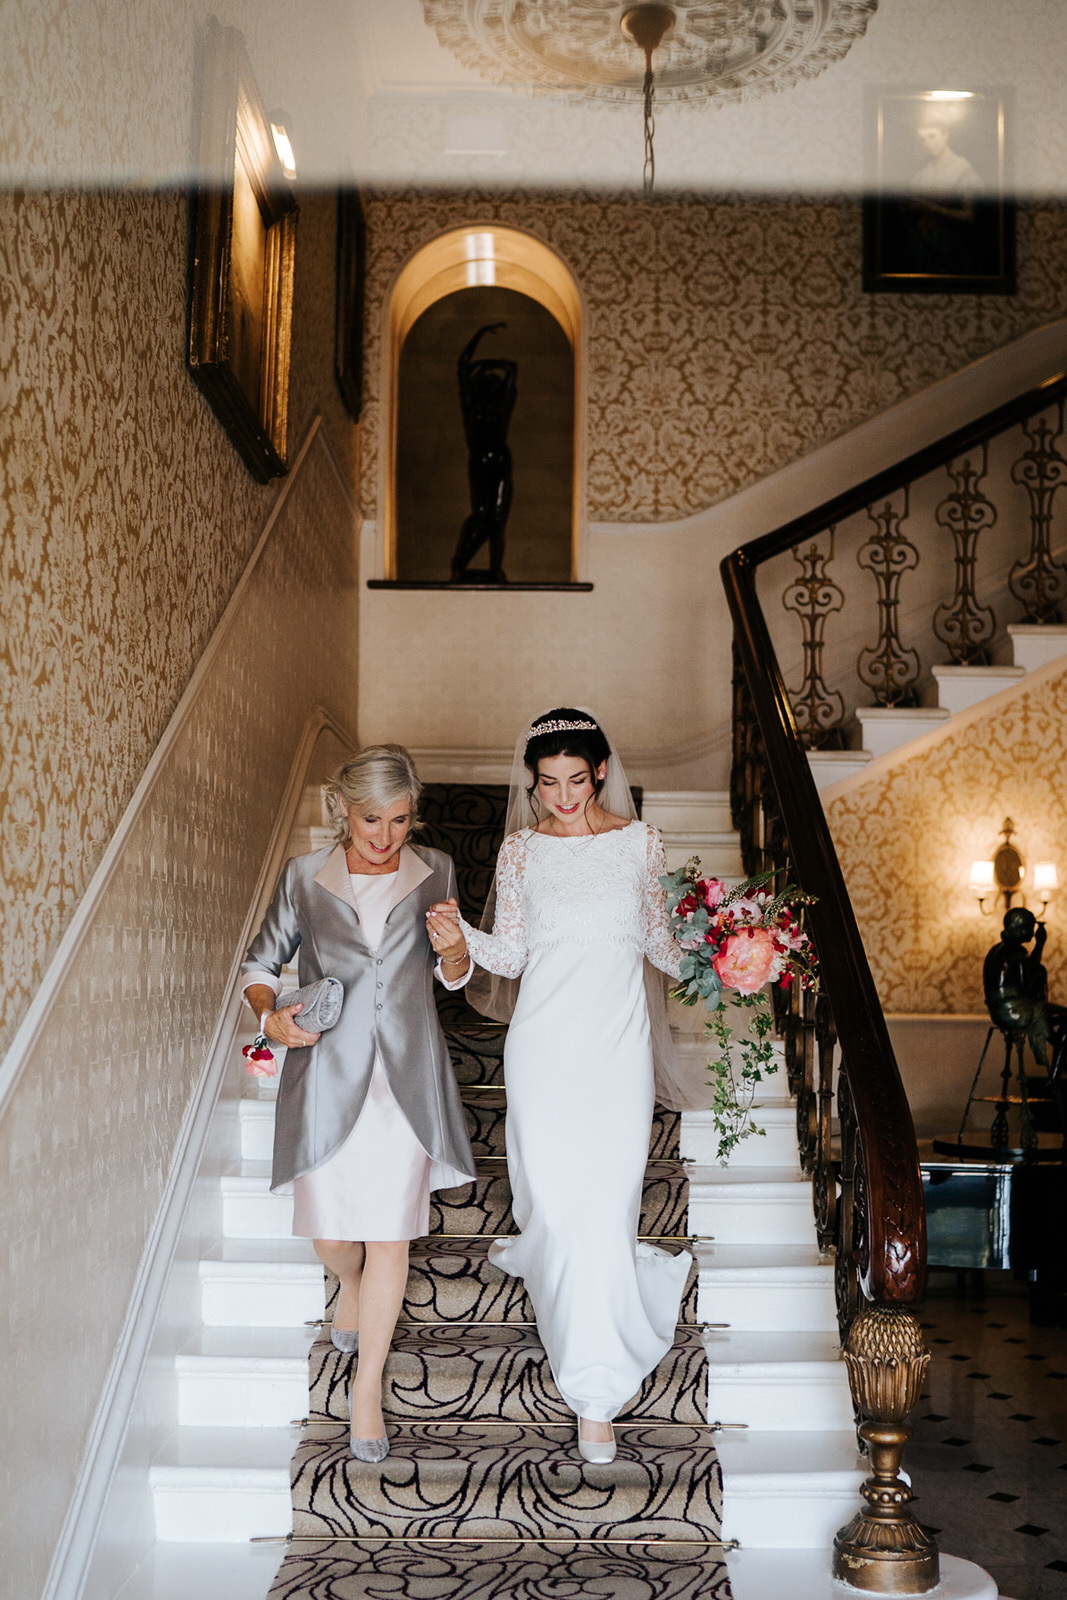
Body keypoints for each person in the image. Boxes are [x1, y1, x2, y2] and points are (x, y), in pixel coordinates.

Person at [425, 708, 692, 1464]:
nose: (562, 796)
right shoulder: (519, 852)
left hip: (616, 1050)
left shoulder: (641, 844)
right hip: (542, 1046)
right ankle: (572, 1301)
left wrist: (730, 949)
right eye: (547, 784)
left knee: (603, 1203)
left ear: (601, 771)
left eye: (576, 780)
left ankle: (595, 1393)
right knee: (559, 1203)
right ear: (532, 783)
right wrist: (457, 939)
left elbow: (659, 944)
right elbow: (507, 956)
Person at [241, 745, 476, 1462]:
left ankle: (365, 1388)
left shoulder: (435, 869)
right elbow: (259, 966)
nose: (385, 834)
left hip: (406, 1080)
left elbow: (453, 974)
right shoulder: (301, 877)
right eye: (372, 818)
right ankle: (346, 1282)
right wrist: (270, 1019)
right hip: (326, 1073)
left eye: (400, 819)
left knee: (391, 1236)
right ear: (341, 807)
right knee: (334, 1238)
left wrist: (457, 951)